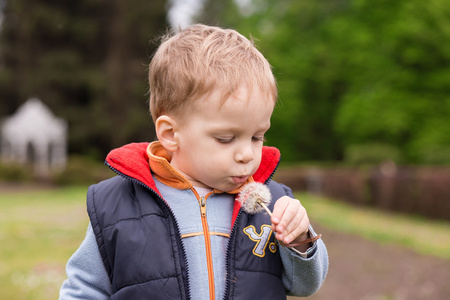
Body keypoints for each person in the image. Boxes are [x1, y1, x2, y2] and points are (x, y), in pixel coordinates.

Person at [59, 24, 328, 300]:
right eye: (226, 138)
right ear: (171, 134)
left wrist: (299, 240)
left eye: (258, 136)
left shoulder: (271, 205)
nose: (247, 154)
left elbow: (306, 285)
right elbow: (84, 290)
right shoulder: (117, 206)